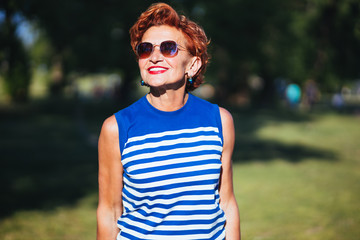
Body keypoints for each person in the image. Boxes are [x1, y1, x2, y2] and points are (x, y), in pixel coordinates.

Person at [97, 3, 240, 239]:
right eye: (145, 49)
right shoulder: (116, 128)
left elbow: (227, 204)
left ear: (192, 65)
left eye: (168, 48)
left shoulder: (220, 121)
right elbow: (109, 212)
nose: (154, 57)